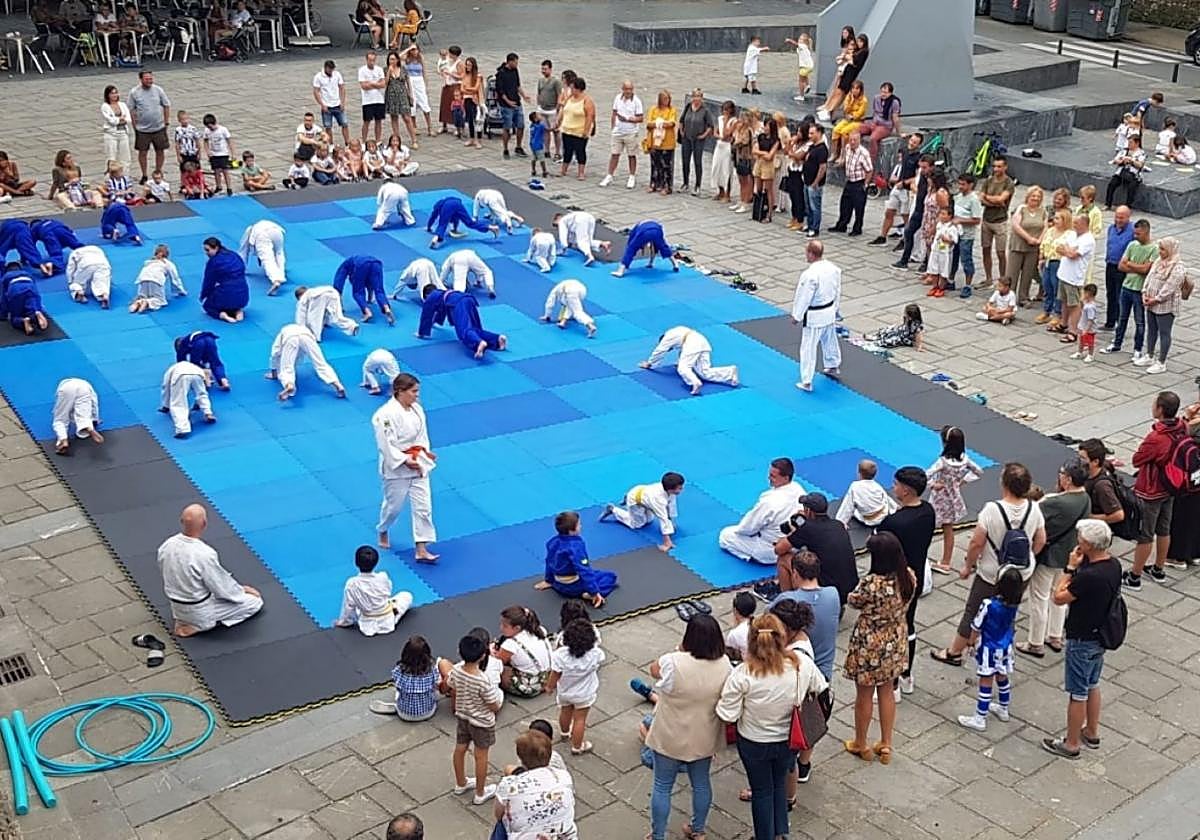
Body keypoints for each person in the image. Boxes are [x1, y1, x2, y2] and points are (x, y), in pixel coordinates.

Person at [717, 613, 826, 840]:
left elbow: (728, 713)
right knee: (778, 784)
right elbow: (820, 686)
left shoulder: (743, 674)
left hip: (754, 742)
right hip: (789, 739)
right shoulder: (801, 664)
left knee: (761, 791)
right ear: (782, 637)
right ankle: (781, 833)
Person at [930, 463, 1045, 667]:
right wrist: (1029, 557)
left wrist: (968, 566)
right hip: (1021, 572)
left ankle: (955, 651)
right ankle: (998, 644)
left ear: (1004, 484)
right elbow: (1041, 539)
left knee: (973, 610)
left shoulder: (992, 510)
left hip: (992, 571)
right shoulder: (1034, 508)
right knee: (1009, 607)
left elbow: (976, 543)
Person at [640, 614, 730, 840]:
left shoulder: (673, 661)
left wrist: (679, 650)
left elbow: (653, 669)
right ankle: (697, 829)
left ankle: (658, 834)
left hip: (670, 734)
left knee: (662, 785)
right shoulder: (724, 664)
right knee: (701, 783)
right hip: (704, 734)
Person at [1041, 520, 1120, 759]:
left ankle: (1072, 743)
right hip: (1100, 635)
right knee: (1093, 683)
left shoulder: (1090, 577)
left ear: (1089, 545)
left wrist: (1069, 568)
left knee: (1078, 692)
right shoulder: (1113, 565)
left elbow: (1059, 597)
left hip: (1082, 638)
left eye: (1081, 540)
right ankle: (1092, 731)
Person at [842, 532, 914, 764]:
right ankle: (886, 743)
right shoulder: (908, 577)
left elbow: (853, 600)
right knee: (887, 691)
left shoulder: (871, 584)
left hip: (870, 643)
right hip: (895, 639)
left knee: (864, 694)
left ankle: (861, 743)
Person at [1018, 460, 1091, 658]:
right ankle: (1055, 635)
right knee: (1059, 594)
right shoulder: (1086, 498)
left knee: (1039, 598)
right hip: (1069, 555)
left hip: (1049, 555)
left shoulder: (1054, 502)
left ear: (1067, 479)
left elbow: (1031, 520)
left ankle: (1035, 642)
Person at [157, 504, 262, 637]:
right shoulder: (204, 553)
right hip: (199, 609)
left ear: (181, 521)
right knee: (255, 603)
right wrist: (242, 590)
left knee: (202, 586)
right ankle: (200, 625)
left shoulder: (167, 545)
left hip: (177, 606)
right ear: (204, 523)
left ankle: (185, 619)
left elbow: (165, 571)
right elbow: (221, 586)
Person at [876, 466, 937, 696]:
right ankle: (906, 674)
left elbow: (881, 555)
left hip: (896, 581)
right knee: (909, 624)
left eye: (897, 484)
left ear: (907, 490)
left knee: (892, 630)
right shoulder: (928, 511)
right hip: (917, 575)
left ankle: (892, 685)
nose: (894, 487)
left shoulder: (894, 523)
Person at [373, 372, 439, 562]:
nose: (417, 395)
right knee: (393, 508)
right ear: (400, 391)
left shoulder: (417, 409)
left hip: (418, 463)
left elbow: (421, 436)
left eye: (417, 391)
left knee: (423, 508)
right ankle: (383, 529)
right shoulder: (384, 416)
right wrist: (403, 459)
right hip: (396, 467)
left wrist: (425, 452)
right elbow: (385, 444)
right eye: (413, 391)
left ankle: (421, 548)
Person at [1124, 391, 1187, 589]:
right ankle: (1159, 569)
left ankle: (1134, 576)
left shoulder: (1156, 437)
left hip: (1152, 488)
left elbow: (1137, 460)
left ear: (1160, 409)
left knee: (1145, 533)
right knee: (1164, 528)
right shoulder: (1181, 427)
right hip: (1171, 486)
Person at [957, 567, 1022, 731]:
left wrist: (971, 644)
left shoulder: (988, 604)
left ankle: (980, 717)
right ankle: (1003, 708)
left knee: (985, 682)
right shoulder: (1014, 604)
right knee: (1002, 676)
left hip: (988, 648)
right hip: (1005, 647)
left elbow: (976, 626)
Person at [772, 492, 858, 604]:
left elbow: (778, 549)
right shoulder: (838, 525)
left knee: (784, 559)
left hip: (826, 590)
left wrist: (794, 532)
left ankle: (787, 602)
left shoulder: (807, 528)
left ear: (808, 511)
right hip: (849, 588)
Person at [448, 633, 504, 804]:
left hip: (463, 716)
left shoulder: (456, 671)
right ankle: (480, 793)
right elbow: (493, 705)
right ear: (482, 656)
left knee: (460, 748)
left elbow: (451, 685)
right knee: (481, 756)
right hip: (482, 722)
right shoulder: (483, 681)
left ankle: (460, 783)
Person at [492, 731, 576, 838]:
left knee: (501, 826)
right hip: (564, 835)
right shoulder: (564, 776)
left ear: (521, 759)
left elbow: (498, 814)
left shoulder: (509, 785)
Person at [719, 458, 803, 565]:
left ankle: (751, 556)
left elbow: (748, 528)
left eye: (773, 476)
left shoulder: (770, 502)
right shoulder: (798, 489)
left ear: (786, 478)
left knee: (725, 536)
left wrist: (742, 532)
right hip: (794, 545)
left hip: (771, 549)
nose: (769, 478)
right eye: (769, 474)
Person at [928, 425, 985, 573]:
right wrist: (962, 481)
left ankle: (921, 557)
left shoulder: (942, 462)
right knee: (948, 530)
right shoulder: (965, 460)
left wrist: (934, 485)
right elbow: (979, 471)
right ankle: (946, 562)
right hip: (953, 499)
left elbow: (925, 475)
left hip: (939, 500)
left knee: (928, 527)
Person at [534, 511, 617, 609]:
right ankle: (586, 594)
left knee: (595, 572)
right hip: (574, 586)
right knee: (610, 576)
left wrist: (549, 580)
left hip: (558, 584)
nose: (581, 526)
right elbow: (584, 570)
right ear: (571, 530)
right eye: (579, 524)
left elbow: (549, 561)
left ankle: (584, 590)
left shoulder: (553, 542)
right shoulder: (575, 546)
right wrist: (594, 592)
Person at [543, 618, 603, 755]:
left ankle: (564, 733)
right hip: (585, 693)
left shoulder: (560, 655)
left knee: (565, 712)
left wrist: (550, 687)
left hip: (565, 691)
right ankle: (577, 746)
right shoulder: (595, 654)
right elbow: (599, 662)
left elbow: (555, 674)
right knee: (580, 719)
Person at [791, 239, 842, 392]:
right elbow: (837, 290)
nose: (806, 255)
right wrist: (836, 309)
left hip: (815, 315)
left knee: (808, 347)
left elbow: (804, 296)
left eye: (807, 252)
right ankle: (833, 365)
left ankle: (806, 381)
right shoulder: (834, 269)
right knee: (829, 340)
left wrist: (796, 316)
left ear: (812, 254)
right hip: (829, 311)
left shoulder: (810, 275)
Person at [1103, 217, 1153, 361]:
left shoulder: (1153, 249)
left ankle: (1137, 349)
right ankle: (1117, 343)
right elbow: (1121, 265)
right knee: (1122, 317)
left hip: (1139, 289)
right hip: (1127, 285)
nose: (1136, 236)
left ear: (1147, 232)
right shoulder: (1132, 245)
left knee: (1139, 321)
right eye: (1135, 234)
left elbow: (1146, 270)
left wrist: (1131, 265)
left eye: (1139, 234)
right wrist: (1136, 266)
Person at [638, 325, 739, 396]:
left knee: (683, 368)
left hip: (692, 343)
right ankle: (730, 372)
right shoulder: (678, 331)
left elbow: (659, 350)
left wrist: (649, 363)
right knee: (704, 372)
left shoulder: (668, 338)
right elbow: (682, 351)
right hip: (702, 341)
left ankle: (695, 383)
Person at [335, 545, 412, 636]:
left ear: (356, 563)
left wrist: (343, 622)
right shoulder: (383, 577)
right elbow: (388, 592)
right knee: (407, 595)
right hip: (387, 619)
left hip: (366, 623)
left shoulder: (352, 584)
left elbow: (348, 606)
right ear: (376, 562)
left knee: (355, 606)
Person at [600, 471, 685, 553]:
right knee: (637, 525)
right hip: (636, 500)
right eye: (679, 488)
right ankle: (613, 509)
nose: (682, 490)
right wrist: (667, 542)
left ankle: (627, 497)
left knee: (649, 521)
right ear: (670, 490)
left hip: (646, 496)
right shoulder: (659, 499)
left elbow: (671, 507)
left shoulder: (670, 491)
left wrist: (671, 522)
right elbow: (663, 517)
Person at [1137, 236, 1186, 375]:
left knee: (1164, 332)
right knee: (1151, 329)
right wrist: (1144, 292)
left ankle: (1161, 362)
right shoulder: (1159, 262)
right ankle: (1149, 355)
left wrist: (1157, 299)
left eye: (1163, 249)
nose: (1160, 252)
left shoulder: (1178, 267)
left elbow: (1170, 287)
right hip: (1150, 303)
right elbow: (1149, 278)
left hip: (1165, 306)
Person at [417, 286, 506, 360]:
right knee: (475, 329)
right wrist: (434, 322)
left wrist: (421, 333)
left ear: (427, 295)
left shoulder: (432, 296)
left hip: (459, 304)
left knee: (464, 330)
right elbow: (440, 313)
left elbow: (426, 315)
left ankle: (479, 342)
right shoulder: (443, 294)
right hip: (468, 299)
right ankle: (497, 339)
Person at [265, 323, 345, 401]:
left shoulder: (281, 334)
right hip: (307, 336)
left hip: (290, 338)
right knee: (321, 364)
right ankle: (337, 385)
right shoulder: (303, 328)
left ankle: (289, 385)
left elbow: (275, 354)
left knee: (287, 367)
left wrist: (274, 374)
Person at [371, 635, 438, 719]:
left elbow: (396, 682)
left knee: (399, 692)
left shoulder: (399, 670)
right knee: (431, 691)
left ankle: (400, 705)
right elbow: (435, 683)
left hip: (403, 714)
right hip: (429, 712)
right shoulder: (431, 670)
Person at [1054, 214, 1096, 344]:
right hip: (1063, 273)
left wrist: (1068, 250)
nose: (1074, 225)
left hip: (1074, 277)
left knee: (1074, 304)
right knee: (1064, 301)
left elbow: (1073, 255)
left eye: (1077, 223)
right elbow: (1059, 248)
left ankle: (1073, 331)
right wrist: (1068, 250)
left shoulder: (1088, 240)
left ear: (1084, 224)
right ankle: (1064, 323)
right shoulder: (1072, 234)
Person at [495, 605, 553, 697]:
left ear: (517, 628)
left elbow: (497, 661)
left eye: (505, 626)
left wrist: (491, 651)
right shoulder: (539, 630)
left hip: (531, 686)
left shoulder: (511, 644)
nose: (501, 628)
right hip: (549, 677)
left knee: (496, 670)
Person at [127, 70, 170, 184]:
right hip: (142, 129)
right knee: (142, 152)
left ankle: (158, 172)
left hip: (158, 127)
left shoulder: (158, 90)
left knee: (160, 151)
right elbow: (131, 109)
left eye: (151, 79)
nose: (149, 81)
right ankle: (144, 174)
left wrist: (166, 122)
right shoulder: (134, 92)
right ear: (141, 79)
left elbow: (166, 105)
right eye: (147, 79)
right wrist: (134, 124)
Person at [600, 80, 644, 189]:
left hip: (631, 132)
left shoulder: (636, 101)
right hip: (618, 132)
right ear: (623, 89)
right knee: (614, 154)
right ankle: (609, 175)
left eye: (630, 89)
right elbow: (614, 113)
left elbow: (641, 118)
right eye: (626, 89)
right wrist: (613, 127)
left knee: (631, 155)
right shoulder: (617, 98)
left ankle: (632, 176)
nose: (628, 91)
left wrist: (629, 119)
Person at [829, 130, 871, 237]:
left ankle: (857, 228)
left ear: (859, 140)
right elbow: (846, 160)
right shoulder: (847, 148)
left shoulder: (864, 153)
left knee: (859, 207)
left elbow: (869, 170)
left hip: (859, 182)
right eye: (851, 140)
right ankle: (842, 225)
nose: (852, 142)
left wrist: (865, 185)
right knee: (844, 204)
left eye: (855, 140)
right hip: (849, 181)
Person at [333, 254, 394, 325]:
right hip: (376, 263)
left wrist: (339, 305)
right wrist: (370, 299)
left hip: (361, 264)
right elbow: (370, 285)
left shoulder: (345, 266)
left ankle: (367, 312)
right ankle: (386, 308)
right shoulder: (352, 264)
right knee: (379, 290)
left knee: (358, 292)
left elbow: (338, 283)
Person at [158, 361, 214, 437]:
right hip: (198, 374)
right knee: (201, 393)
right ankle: (208, 413)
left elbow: (166, 388)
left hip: (181, 375)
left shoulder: (170, 371)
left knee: (178, 402)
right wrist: (198, 405)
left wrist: (166, 406)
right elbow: (202, 391)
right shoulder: (194, 367)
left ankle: (183, 429)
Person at [1100, 206, 1134, 329]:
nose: (1118, 220)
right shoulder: (1111, 228)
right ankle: (1110, 322)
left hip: (1123, 268)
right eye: (1117, 217)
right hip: (1110, 264)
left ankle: (1121, 324)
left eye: (1121, 217)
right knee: (1110, 293)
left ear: (1128, 217)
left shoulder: (1132, 231)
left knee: (1120, 296)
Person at [676, 87, 714, 197]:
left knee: (697, 162)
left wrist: (704, 135)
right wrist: (682, 131)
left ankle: (698, 185)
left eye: (698, 96)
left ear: (702, 98)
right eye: (694, 96)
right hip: (686, 138)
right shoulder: (688, 107)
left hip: (698, 139)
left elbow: (710, 126)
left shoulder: (705, 110)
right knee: (685, 160)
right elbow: (682, 120)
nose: (696, 99)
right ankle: (685, 183)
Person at [835, 459, 894, 528]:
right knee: (886, 499)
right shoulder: (877, 486)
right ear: (875, 474)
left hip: (869, 520)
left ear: (859, 473)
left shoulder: (855, 486)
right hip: (883, 515)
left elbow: (847, 506)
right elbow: (886, 499)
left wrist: (840, 522)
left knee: (853, 506)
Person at [611, 219, 681, 277]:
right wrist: (650, 263)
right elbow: (654, 249)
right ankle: (675, 264)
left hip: (645, 231)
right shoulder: (653, 224)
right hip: (657, 230)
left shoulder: (635, 229)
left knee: (631, 248)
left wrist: (626, 263)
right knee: (663, 247)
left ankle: (621, 270)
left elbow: (630, 246)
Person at [558, 76, 596, 181]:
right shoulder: (570, 98)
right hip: (567, 129)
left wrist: (586, 130)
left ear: (578, 88)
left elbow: (590, 116)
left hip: (579, 131)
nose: (571, 90)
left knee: (580, 151)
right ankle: (563, 170)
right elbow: (564, 109)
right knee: (567, 151)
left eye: (573, 88)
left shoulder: (587, 101)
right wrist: (559, 121)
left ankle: (581, 172)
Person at [129, 244, 186, 314]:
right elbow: (175, 279)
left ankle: (138, 302)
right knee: (160, 300)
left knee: (142, 296)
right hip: (156, 280)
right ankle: (147, 302)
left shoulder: (149, 262)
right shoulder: (168, 263)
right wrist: (181, 290)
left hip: (142, 279)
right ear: (167, 254)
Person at [52, 378, 103, 455]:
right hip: (84, 389)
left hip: (66, 388)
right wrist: (95, 419)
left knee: (60, 418)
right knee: (83, 415)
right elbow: (94, 405)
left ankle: (63, 439)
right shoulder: (88, 387)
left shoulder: (66, 383)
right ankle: (87, 426)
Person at [495, 53, 531, 159]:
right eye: (515, 62)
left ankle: (518, 147)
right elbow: (500, 91)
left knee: (521, 125)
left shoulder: (515, 71)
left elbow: (517, 85)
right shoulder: (501, 74)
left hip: (517, 102)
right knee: (507, 127)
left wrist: (524, 96)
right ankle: (505, 149)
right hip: (506, 105)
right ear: (509, 61)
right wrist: (508, 101)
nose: (516, 64)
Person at [426, 196, 499, 248]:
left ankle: (437, 238)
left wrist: (429, 227)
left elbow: (433, 217)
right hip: (458, 204)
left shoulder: (438, 206)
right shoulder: (449, 201)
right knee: (470, 223)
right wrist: (455, 229)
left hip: (449, 206)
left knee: (442, 224)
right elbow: (456, 218)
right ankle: (491, 227)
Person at [237, 220, 286, 295]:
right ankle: (281, 274)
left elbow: (243, 252)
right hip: (277, 230)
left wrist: (240, 268)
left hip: (263, 234)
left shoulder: (249, 233)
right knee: (279, 253)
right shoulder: (254, 228)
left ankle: (276, 280)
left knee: (267, 259)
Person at [295, 285, 359, 341]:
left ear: (299, 296)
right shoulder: (315, 290)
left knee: (314, 318)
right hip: (333, 292)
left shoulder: (305, 296)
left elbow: (301, 315)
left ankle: (315, 337)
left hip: (318, 297)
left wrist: (301, 329)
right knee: (336, 316)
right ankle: (352, 326)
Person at [0, 265, 48, 335]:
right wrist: (40, 308)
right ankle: (36, 314)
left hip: (15, 289)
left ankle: (23, 321)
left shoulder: (5, 277)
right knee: (32, 308)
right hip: (30, 287)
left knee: (15, 317)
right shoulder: (28, 274)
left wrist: (2, 315)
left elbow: (3, 298)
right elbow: (36, 294)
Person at [313, 60, 351, 146]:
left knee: (344, 123)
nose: (331, 71)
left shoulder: (337, 75)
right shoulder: (318, 77)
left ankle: (347, 142)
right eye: (329, 69)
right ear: (325, 68)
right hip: (327, 105)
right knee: (328, 126)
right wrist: (322, 104)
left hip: (337, 103)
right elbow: (316, 91)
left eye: (332, 69)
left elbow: (342, 88)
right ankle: (330, 144)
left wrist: (342, 102)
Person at [1105, 133, 1145, 210]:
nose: (1129, 144)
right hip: (1122, 172)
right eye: (1128, 142)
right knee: (1112, 183)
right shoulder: (1124, 151)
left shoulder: (1141, 153)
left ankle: (1128, 206)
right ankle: (1108, 203)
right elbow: (1116, 160)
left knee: (1132, 187)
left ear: (1137, 143)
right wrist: (1121, 161)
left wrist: (1131, 161)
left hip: (1133, 174)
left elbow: (1140, 165)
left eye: (1131, 142)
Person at [101, 84, 132, 170]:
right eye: (112, 93)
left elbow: (128, 119)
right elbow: (111, 121)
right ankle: (110, 177)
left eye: (116, 93)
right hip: (111, 134)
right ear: (108, 95)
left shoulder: (122, 105)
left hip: (123, 133)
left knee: (125, 157)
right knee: (111, 157)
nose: (114, 95)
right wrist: (119, 119)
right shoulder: (105, 106)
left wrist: (120, 119)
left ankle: (126, 175)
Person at [359, 50, 387, 144]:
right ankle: (363, 141)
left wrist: (370, 83)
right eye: (370, 60)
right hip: (368, 100)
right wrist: (376, 84)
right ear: (366, 60)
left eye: (373, 60)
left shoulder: (379, 70)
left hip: (379, 99)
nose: (372, 62)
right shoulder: (362, 70)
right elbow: (364, 86)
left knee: (378, 121)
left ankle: (378, 140)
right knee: (366, 121)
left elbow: (383, 84)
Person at [1070, 283, 1100, 363]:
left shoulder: (1091, 307)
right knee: (1081, 340)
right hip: (1083, 325)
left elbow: (1090, 319)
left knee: (1090, 342)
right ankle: (1079, 352)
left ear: (1088, 294)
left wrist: (1086, 330)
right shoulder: (1086, 303)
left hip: (1088, 328)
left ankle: (1090, 355)